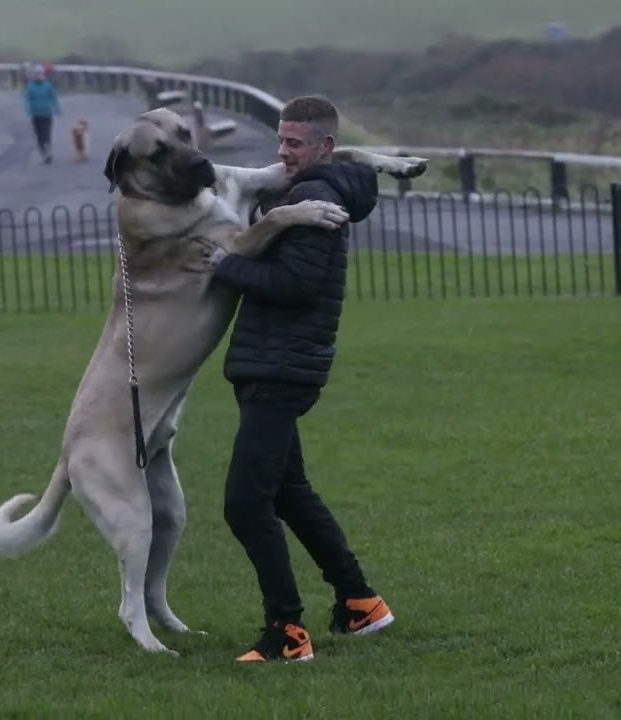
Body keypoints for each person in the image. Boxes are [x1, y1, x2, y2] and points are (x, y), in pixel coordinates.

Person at [199, 95, 393, 663]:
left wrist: (225, 265)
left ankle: (286, 632)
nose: (283, 152)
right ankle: (360, 603)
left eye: (295, 143)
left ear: (326, 147)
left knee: (244, 503)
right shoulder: (307, 192)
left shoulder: (315, 196)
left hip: (281, 368)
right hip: (276, 363)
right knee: (290, 493)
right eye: (280, 140)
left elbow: (295, 286)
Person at [21, 64, 61, 164]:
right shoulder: (30, 86)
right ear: (34, 75)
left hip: (47, 114)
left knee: (46, 133)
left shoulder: (48, 85)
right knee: (39, 135)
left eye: (40, 74)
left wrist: (57, 108)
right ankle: (44, 153)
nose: (38, 76)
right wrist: (28, 108)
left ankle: (48, 150)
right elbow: (27, 99)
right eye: (36, 74)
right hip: (36, 114)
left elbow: (53, 97)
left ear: (43, 75)